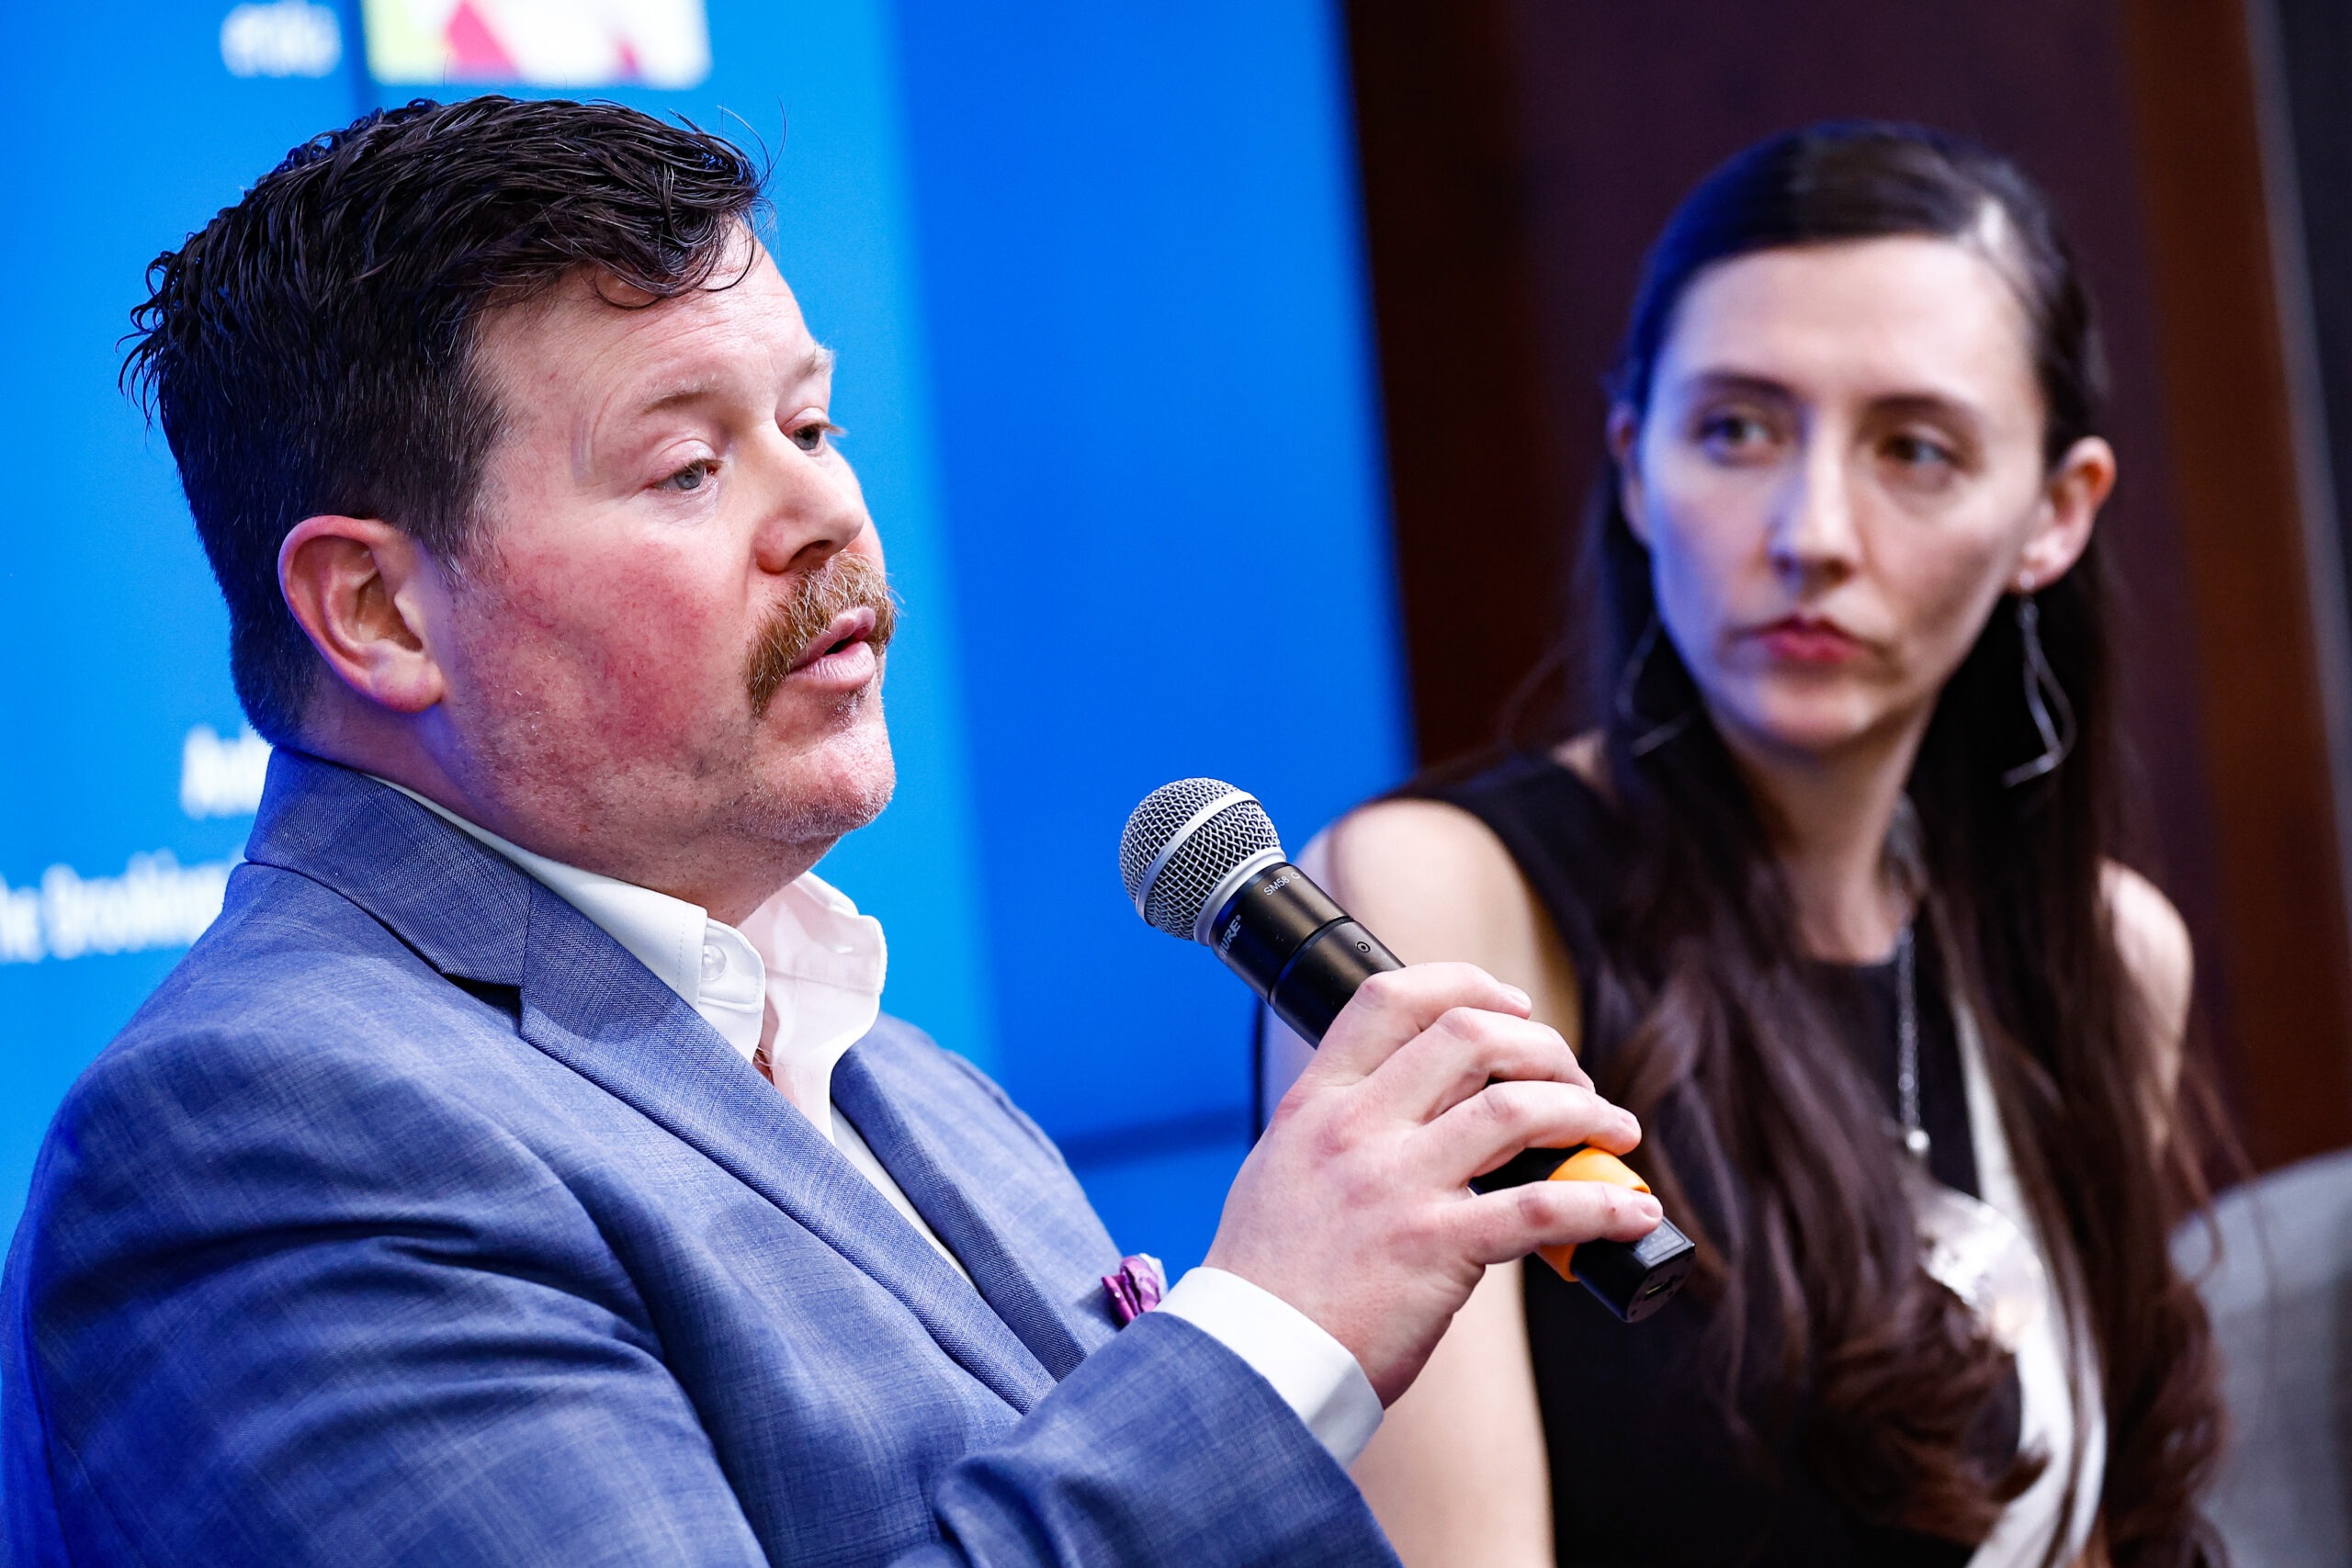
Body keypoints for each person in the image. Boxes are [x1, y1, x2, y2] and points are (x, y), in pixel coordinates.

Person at [0, 96, 1664, 1567]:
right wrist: (1271, 1334)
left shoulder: (893, 1068)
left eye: (809, 425)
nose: (827, 512)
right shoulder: (260, 1138)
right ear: (377, 611)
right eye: (685, 467)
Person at [1267, 124, 2226, 1566]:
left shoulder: (2102, 953)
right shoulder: (1449, 897)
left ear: (2055, 512)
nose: (1811, 531)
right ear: (1636, 469)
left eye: (1915, 449)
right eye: (1736, 430)